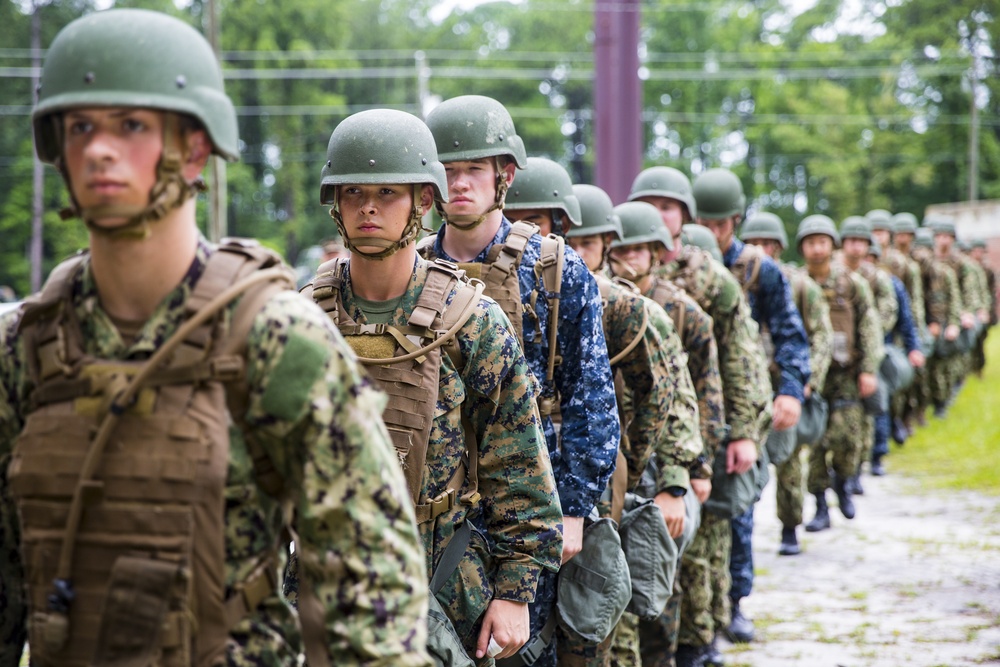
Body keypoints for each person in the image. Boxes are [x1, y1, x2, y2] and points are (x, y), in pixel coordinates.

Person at [0, 9, 431, 667]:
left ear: (195, 149)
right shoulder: (24, 348)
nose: (98, 150)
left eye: (133, 126)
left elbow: (372, 580)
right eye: (80, 126)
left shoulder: (275, 339)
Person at [303, 108, 563, 664]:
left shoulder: (471, 318)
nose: (368, 206)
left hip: (445, 573)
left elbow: (517, 461)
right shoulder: (303, 319)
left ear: (424, 201)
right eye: (353, 191)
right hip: (329, 569)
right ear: (335, 202)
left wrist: (516, 591)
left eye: (388, 192)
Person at [420, 96, 619, 667]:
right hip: (447, 506)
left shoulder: (555, 267)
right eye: (448, 172)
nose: (459, 184)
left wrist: (576, 508)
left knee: (527, 652)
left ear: (504, 176)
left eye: (473, 170)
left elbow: (592, 398)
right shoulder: (412, 270)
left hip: (540, 497)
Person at [628, 166, 770, 667]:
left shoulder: (708, 276)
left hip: (701, 430)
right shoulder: (619, 262)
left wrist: (745, 432)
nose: (659, 214)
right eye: (651, 204)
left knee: (704, 547)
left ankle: (703, 638)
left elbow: (738, 357)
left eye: (669, 206)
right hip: (636, 434)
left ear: (685, 217)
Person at [691, 168, 810, 644]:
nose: (712, 231)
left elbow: (790, 336)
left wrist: (792, 390)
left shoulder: (761, 272)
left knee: (736, 510)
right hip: (694, 401)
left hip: (744, 404)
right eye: (704, 220)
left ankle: (735, 602)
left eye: (720, 223)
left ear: (735, 221)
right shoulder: (680, 265)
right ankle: (698, 617)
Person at [606, 201, 726, 667]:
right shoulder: (595, 300)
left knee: (660, 571)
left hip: (663, 459)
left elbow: (701, 391)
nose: (630, 260)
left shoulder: (682, 312)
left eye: (640, 250)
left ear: (658, 253)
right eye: (622, 249)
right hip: (615, 455)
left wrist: (695, 468)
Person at [739, 212, 833, 556]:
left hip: (784, 387)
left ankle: (790, 527)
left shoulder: (798, 286)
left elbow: (819, 337)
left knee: (790, 462)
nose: (761, 250)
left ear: (778, 247)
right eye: (754, 244)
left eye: (768, 244)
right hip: (747, 392)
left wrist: (805, 381)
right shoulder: (733, 280)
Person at [795, 215, 883, 534]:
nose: (817, 249)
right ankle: (819, 504)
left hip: (847, 373)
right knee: (817, 442)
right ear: (802, 248)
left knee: (847, 439)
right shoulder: (797, 283)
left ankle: (844, 482)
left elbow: (869, 326)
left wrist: (869, 369)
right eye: (810, 243)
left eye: (822, 242)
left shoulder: (851, 283)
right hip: (811, 377)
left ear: (831, 246)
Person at [837, 217, 898, 494]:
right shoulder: (832, 273)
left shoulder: (876, 277)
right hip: (837, 357)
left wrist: (866, 336)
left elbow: (887, 311)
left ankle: (859, 466)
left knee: (865, 415)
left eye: (862, 242)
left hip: (867, 354)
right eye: (851, 241)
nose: (856, 247)